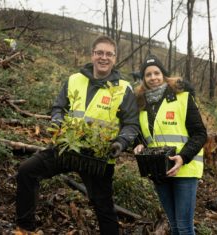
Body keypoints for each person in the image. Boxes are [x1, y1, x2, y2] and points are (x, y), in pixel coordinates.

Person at [15, 35, 140, 234]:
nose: (103, 58)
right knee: (27, 170)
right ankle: (24, 228)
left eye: (109, 54)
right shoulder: (74, 79)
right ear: (92, 55)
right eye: (99, 52)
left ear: (115, 58)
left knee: (103, 206)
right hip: (68, 146)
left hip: (98, 155)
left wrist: (120, 143)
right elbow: (58, 108)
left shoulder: (123, 89)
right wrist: (57, 124)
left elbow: (132, 124)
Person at [133, 54, 207, 235]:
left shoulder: (182, 98)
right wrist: (137, 144)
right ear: (143, 79)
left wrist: (183, 157)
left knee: (184, 227)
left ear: (164, 75)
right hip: (159, 170)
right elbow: (140, 134)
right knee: (174, 226)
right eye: (148, 74)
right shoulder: (141, 104)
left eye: (156, 73)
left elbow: (200, 134)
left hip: (184, 169)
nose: (153, 78)